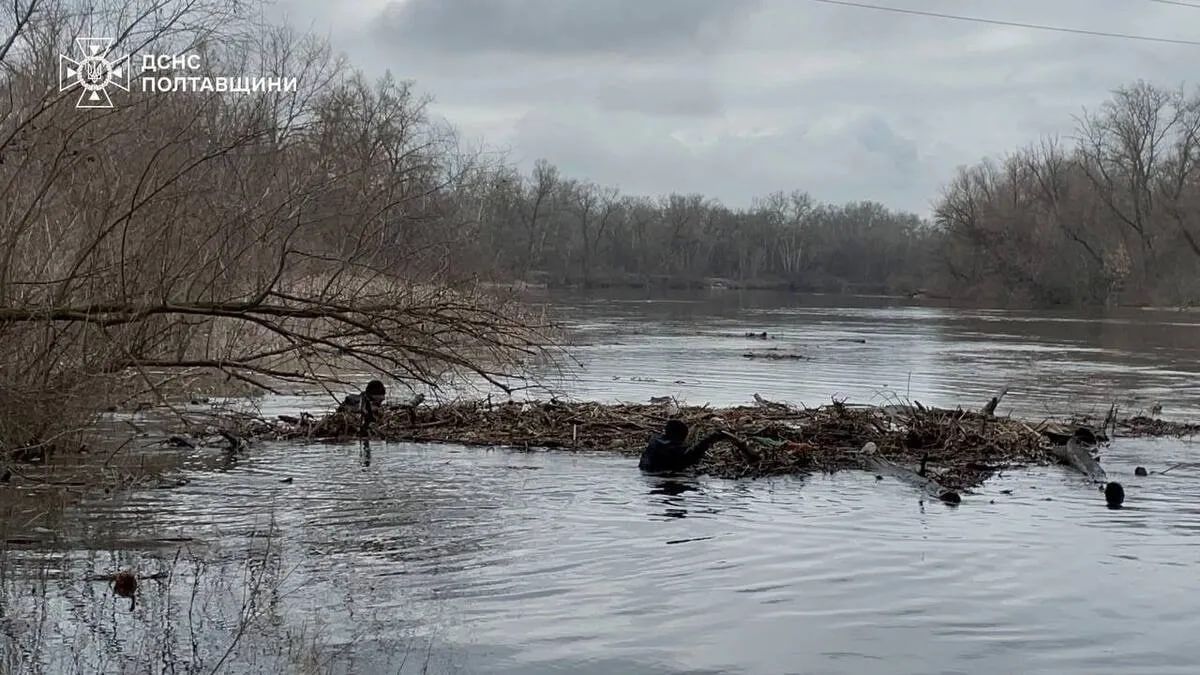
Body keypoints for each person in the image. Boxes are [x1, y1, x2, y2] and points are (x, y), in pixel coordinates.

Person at [639, 419, 742, 473]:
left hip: (645, 472)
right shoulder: (673, 449)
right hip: (663, 475)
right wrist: (711, 439)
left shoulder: (655, 441)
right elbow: (691, 457)